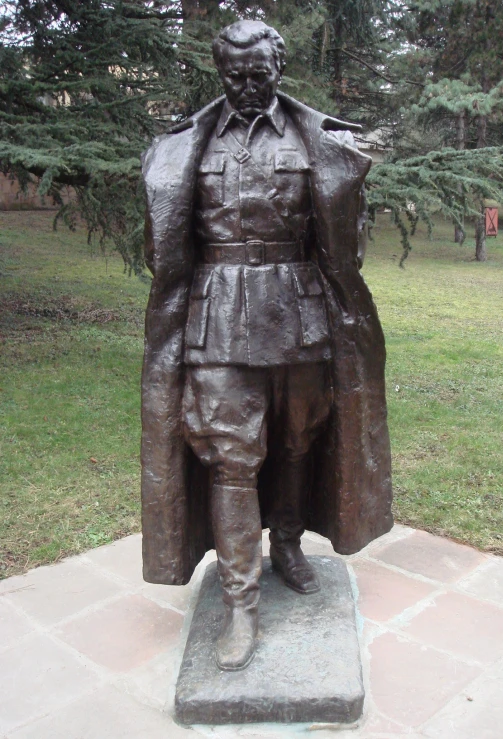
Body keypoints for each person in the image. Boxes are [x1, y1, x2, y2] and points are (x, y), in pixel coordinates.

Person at [141, 20, 393, 671]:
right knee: (231, 456)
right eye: (236, 76)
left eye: (260, 76)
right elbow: (168, 249)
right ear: (220, 72)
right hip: (217, 318)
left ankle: (286, 541)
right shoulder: (182, 146)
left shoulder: (320, 139)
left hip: (300, 314)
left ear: (278, 71)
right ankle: (240, 604)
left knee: (296, 439)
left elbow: (344, 243)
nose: (248, 87)